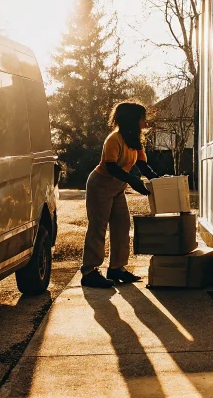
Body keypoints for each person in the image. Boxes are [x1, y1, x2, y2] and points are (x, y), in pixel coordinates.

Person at [80, 102, 160, 288]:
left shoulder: (134, 139)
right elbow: (111, 166)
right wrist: (133, 181)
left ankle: (116, 268)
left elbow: (142, 164)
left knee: (122, 225)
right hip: (100, 184)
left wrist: (158, 180)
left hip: (117, 187)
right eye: (142, 118)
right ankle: (89, 272)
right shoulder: (114, 139)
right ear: (133, 120)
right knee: (98, 227)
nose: (145, 122)